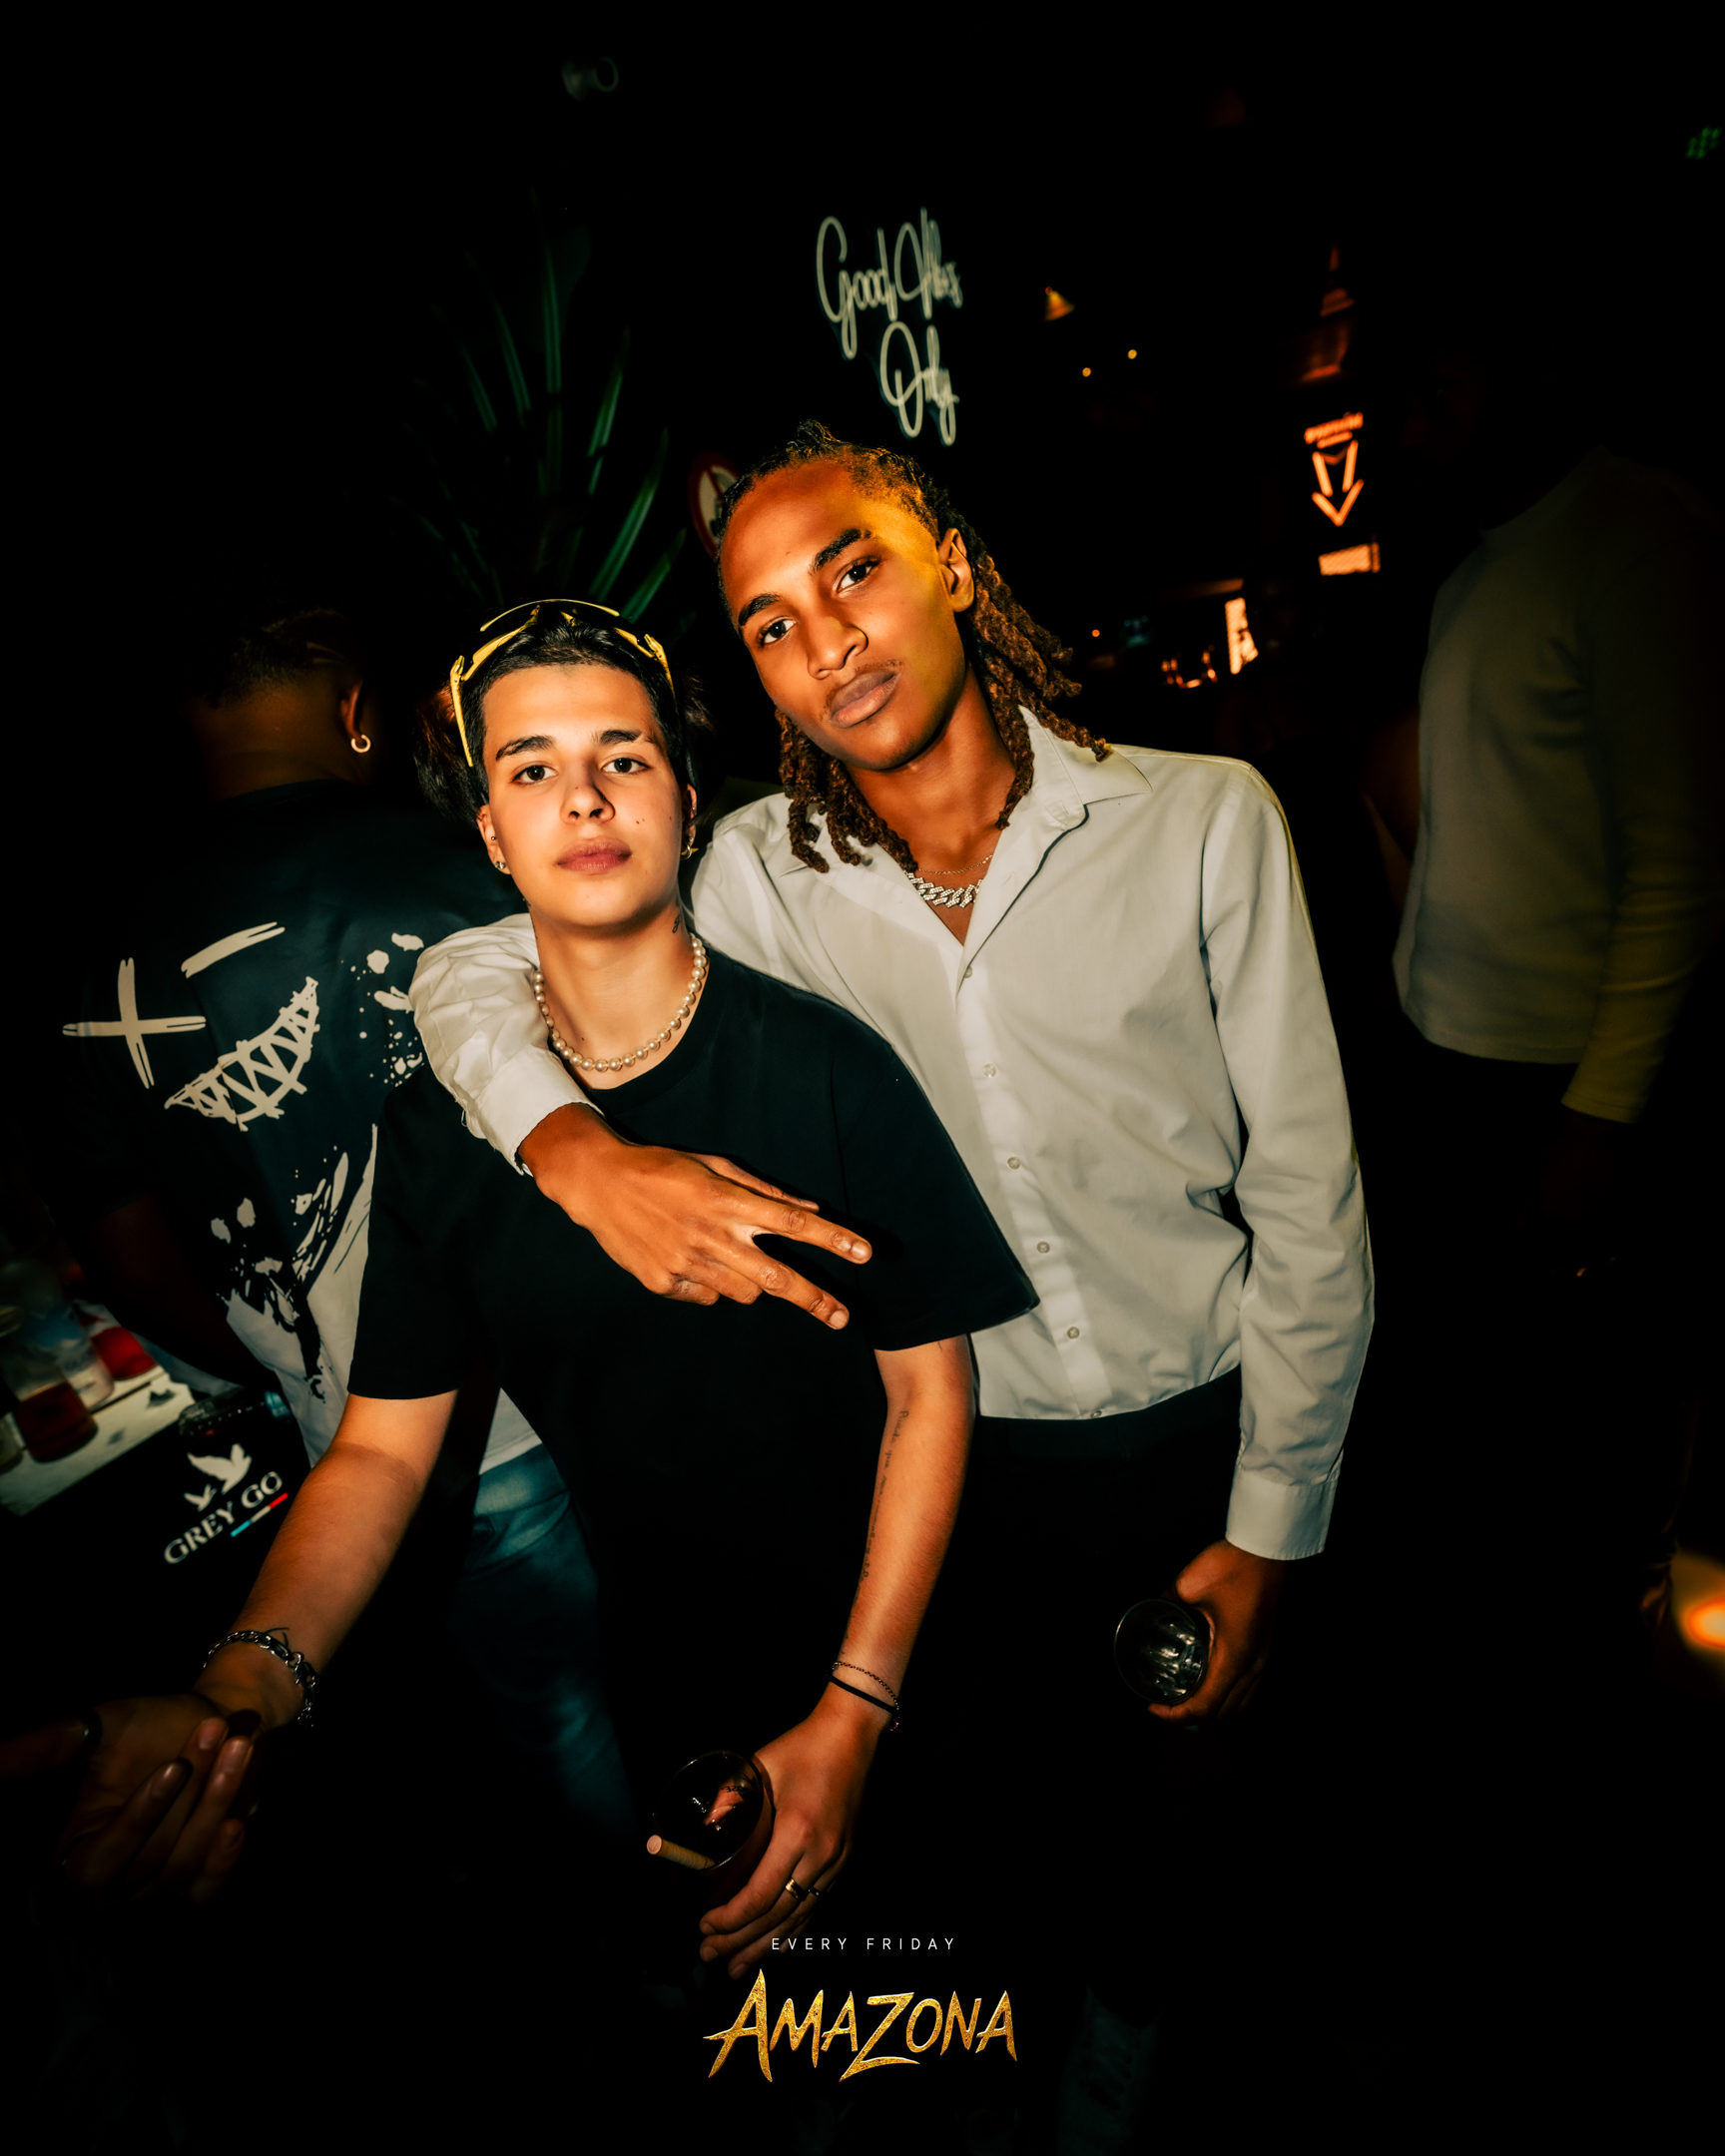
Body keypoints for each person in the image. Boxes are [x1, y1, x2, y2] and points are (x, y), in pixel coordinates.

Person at [404, 424, 1374, 2134]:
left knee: (1221, 1805)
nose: (827, 638)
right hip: (961, 1461)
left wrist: (1273, 1522)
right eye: (770, 623)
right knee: (1014, 1825)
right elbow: (481, 960)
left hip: (1206, 1430)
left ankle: (1161, 2035)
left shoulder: (1202, 822)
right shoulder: (757, 876)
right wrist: (566, 1146)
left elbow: (1307, 1199)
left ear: (953, 564)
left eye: (851, 568)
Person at [52, 604, 1034, 1989]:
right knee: (775, 2009)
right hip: (675, 1675)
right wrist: (245, 1681)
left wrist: (857, 1709)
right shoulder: (441, 1136)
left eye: (624, 757)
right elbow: (383, 1449)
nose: (583, 795)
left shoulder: (824, 1064)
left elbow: (932, 1386)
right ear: (490, 836)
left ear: (686, 801)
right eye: (531, 767)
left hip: (899, 1644)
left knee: (946, 1983)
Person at [49, 598, 632, 1839]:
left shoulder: (95, 973)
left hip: (369, 1466)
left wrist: (304, 1371)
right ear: (358, 712)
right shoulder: (473, 861)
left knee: (558, 1722)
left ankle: (644, 1923)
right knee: (687, 1669)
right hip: (599, 1390)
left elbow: (128, 1258)